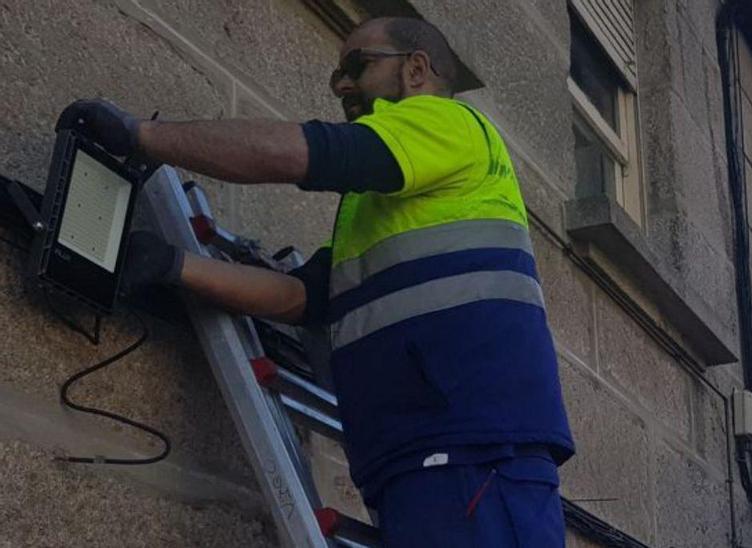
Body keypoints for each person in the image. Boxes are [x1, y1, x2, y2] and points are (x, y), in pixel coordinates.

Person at [56, 16, 574, 547]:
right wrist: (172, 266)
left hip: (475, 452)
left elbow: (305, 153)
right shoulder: (385, 210)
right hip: (414, 458)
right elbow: (303, 298)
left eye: (357, 67)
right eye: (336, 77)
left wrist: (143, 135)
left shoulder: (450, 124)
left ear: (417, 70)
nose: (343, 85)